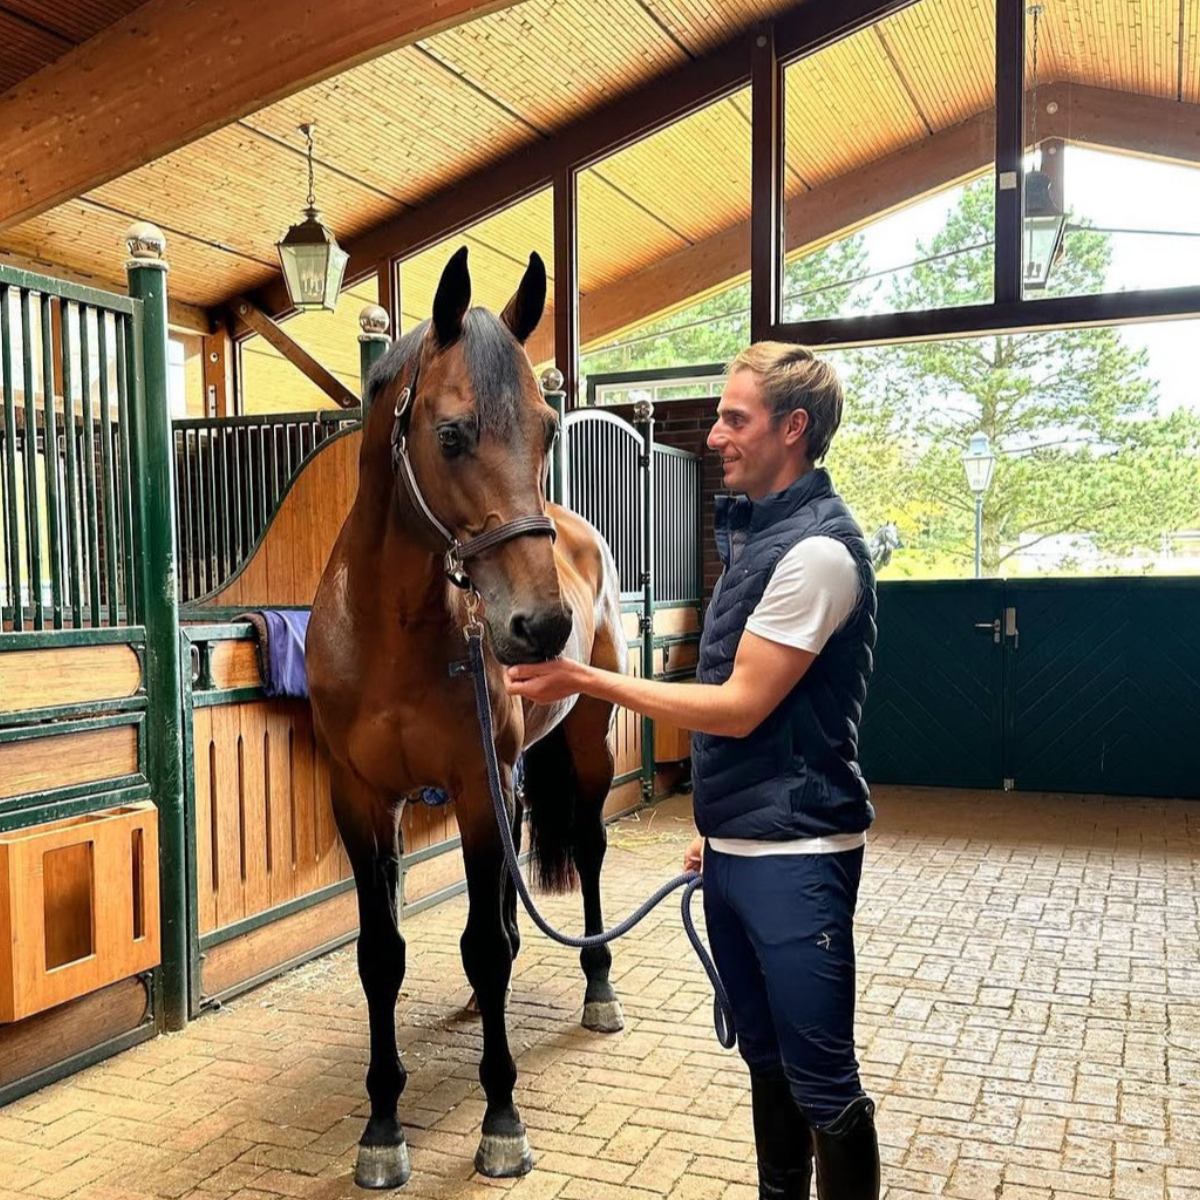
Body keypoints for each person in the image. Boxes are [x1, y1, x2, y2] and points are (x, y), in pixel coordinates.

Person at [505, 342, 880, 1200]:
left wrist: (580, 677)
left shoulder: (817, 554)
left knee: (822, 1081)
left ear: (793, 429)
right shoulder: (759, 540)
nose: (715, 436)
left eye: (733, 419)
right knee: (766, 1062)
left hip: (800, 861)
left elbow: (742, 704)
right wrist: (718, 832)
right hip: (744, 853)